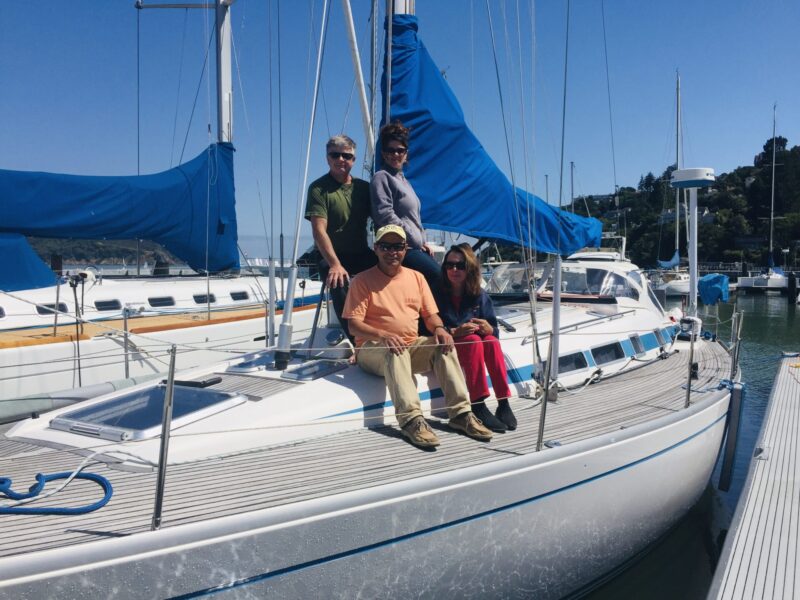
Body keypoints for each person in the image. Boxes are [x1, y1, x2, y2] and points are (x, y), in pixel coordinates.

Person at [344, 225, 493, 448]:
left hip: (409, 345)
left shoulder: (417, 278)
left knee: (443, 345)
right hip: (372, 348)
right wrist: (383, 335)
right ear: (376, 248)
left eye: (398, 246)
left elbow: (431, 316)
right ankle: (411, 420)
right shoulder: (362, 281)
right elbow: (354, 325)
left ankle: (461, 414)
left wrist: (440, 330)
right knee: (394, 350)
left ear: (405, 249)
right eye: (386, 246)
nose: (392, 252)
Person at [435, 243, 517, 432]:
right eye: (449, 265)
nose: (454, 270)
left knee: (490, 341)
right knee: (473, 341)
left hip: (475, 344)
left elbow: (493, 330)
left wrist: (489, 328)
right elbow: (427, 326)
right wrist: (454, 331)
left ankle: (503, 403)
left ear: (469, 268)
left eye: (460, 266)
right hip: (448, 343)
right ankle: (478, 403)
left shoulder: (479, 295)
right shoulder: (436, 292)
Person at [305, 135, 376, 340]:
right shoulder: (318, 189)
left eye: (347, 155)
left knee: (391, 273)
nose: (341, 159)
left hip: (361, 253)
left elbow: (382, 217)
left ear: (354, 160)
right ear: (327, 158)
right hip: (331, 256)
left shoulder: (364, 189)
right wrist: (335, 264)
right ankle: (357, 341)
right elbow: (319, 231)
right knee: (338, 280)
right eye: (335, 154)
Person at [370, 121, 441, 288]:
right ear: (384, 154)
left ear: (406, 154)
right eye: (390, 150)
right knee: (438, 277)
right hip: (399, 247)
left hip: (414, 246)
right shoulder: (382, 177)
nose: (395, 154)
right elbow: (384, 214)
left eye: (400, 150)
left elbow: (412, 217)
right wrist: (413, 238)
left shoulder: (404, 181)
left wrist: (422, 241)